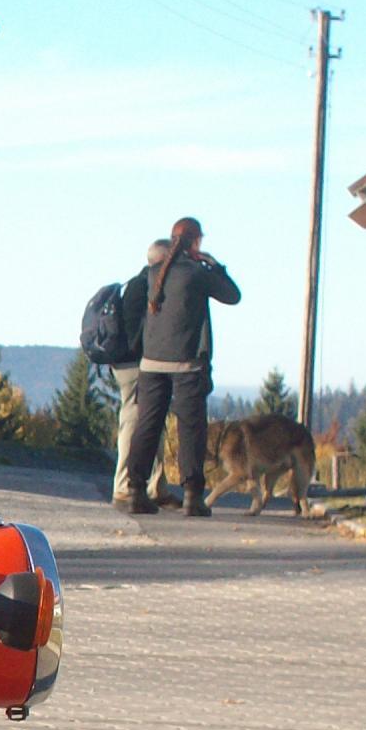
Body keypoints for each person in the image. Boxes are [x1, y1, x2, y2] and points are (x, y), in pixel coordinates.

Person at [122, 217, 241, 517]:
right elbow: (233, 295)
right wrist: (214, 265)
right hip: (187, 363)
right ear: (196, 242)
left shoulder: (153, 272)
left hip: (151, 363)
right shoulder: (197, 273)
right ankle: (192, 496)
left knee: (147, 426)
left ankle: (136, 491)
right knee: (190, 429)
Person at [111, 240, 178, 512]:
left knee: (150, 423)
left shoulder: (136, 285)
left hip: (129, 363)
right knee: (135, 422)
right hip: (136, 364)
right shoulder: (147, 287)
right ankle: (125, 485)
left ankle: (154, 486)